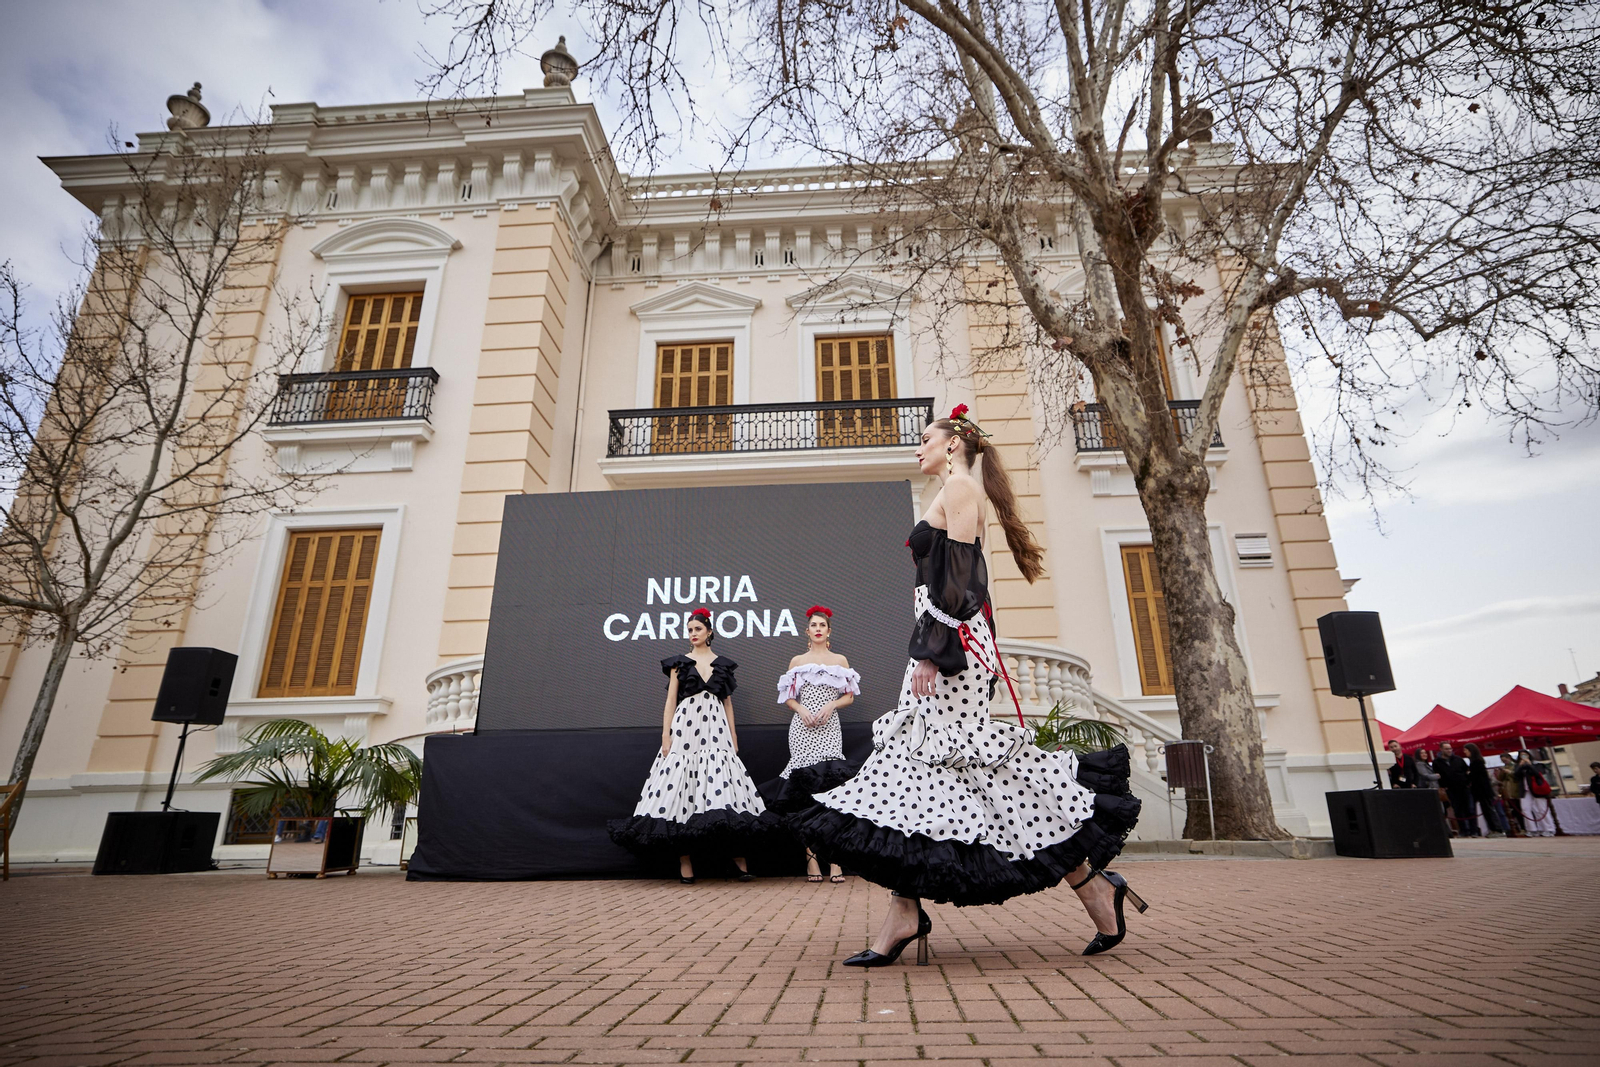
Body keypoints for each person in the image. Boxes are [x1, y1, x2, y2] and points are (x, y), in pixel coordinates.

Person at [792, 406, 1144, 967]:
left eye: (925, 439)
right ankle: (918, 909)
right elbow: (947, 581)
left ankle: (1090, 886)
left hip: (948, 649)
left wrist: (933, 652)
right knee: (918, 771)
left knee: (960, 768)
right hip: (940, 644)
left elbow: (961, 580)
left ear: (953, 444)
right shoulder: (953, 489)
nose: (918, 449)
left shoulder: (958, 489)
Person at [608, 608, 778, 882]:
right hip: (685, 729)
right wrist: (666, 735)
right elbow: (670, 702)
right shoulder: (680, 664)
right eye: (689, 630)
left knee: (723, 787)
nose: (693, 634)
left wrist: (733, 736)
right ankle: (685, 862)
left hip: (716, 730)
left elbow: (728, 704)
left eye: (697, 629)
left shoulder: (722, 664)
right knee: (680, 789)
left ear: (709, 631)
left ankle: (739, 859)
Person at [766, 605, 861, 884]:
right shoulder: (797, 661)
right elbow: (788, 698)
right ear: (807, 632)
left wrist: (832, 704)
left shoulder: (840, 660)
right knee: (804, 794)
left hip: (830, 730)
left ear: (829, 631)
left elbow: (849, 696)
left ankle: (834, 860)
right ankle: (811, 861)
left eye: (822, 625)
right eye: (814, 625)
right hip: (802, 730)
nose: (818, 628)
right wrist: (801, 710)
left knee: (830, 792)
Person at [1462, 743, 1506, 837]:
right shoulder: (1476, 762)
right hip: (1482, 790)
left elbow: (1476, 777)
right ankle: (1494, 828)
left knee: (1489, 810)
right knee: (1487, 810)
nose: (1465, 752)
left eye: (1466, 750)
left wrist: (1469, 775)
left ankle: (1497, 829)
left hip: (1483, 790)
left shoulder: (1476, 762)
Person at [1432, 742, 1475, 836]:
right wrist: (1443, 786)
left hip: (1464, 787)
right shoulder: (1437, 762)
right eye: (1447, 749)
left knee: (1469, 809)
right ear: (1441, 749)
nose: (1449, 750)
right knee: (1457, 810)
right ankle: (1464, 830)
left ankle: (1473, 830)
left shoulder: (1458, 759)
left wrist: (1467, 782)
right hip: (1451, 789)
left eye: (1450, 748)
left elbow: (1466, 770)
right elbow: (1438, 775)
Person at [1515, 750, 1556, 836]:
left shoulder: (1537, 765)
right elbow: (1516, 777)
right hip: (1525, 791)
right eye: (1521, 756)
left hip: (1537, 789)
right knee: (1525, 809)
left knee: (1541, 809)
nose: (1524, 757)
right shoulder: (1519, 766)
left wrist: (1530, 765)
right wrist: (1520, 766)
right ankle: (1532, 829)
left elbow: (1538, 774)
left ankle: (1549, 829)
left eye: (1525, 755)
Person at [1497, 753, 1526, 836]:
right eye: (1502, 760)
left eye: (1505, 759)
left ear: (1509, 758)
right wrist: (1502, 772)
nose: (1504, 761)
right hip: (1507, 791)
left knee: (1518, 811)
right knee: (1510, 811)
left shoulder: (1515, 766)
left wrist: (1509, 772)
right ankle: (1514, 828)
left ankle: (1523, 827)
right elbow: (1500, 779)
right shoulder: (1504, 767)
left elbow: (1517, 776)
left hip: (1515, 790)